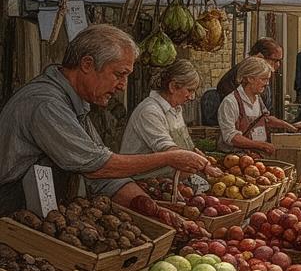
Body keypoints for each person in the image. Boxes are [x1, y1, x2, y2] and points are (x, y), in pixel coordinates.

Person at [0, 25, 208, 211]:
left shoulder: (74, 104)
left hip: (44, 216)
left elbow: (104, 175)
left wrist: (154, 209)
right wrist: (170, 158)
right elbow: (98, 167)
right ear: (87, 64)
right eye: (119, 74)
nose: (123, 85)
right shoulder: (46, 104)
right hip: (12, 217)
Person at [119, 59, 205, 176]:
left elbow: (182, 144)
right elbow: (167, 150)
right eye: (189, 90)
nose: (191, 97)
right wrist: (204, 166)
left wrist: (194, 152)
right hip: (144, 181)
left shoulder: (175, 109)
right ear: (173, 86)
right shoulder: (150, 111)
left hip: (171, 179)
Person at [218, 56, 298, 155]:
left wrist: (288, 126)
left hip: (257, 155)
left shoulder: (258, 99)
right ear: (250, 78)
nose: (267, 84)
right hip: (236, 158)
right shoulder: (230, 102)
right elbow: (230, 137)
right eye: (263, 79)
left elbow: (265, 119)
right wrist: (260, 145)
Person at [216, 38, 284, 105]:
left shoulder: (266, 75)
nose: (278, 65)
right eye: (274, 60)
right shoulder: (243, 73)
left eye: (280, 60)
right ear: (259, 57)